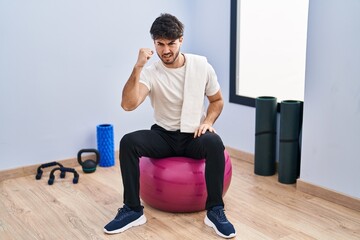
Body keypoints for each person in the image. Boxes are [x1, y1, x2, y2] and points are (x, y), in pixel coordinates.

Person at [104, 13, 236, 239]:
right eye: (160, 44)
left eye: (171, 44)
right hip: (164, 136)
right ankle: (133, 210)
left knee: (214, 141)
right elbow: (128, 104)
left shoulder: (201, 66)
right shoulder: (151, 72)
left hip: (194, 134)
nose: (166, 50)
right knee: (128, 141)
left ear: (181, 40)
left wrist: (207, 122)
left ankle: (215, 210)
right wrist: (137, 68)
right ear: (154, 43)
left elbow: (217, 101)